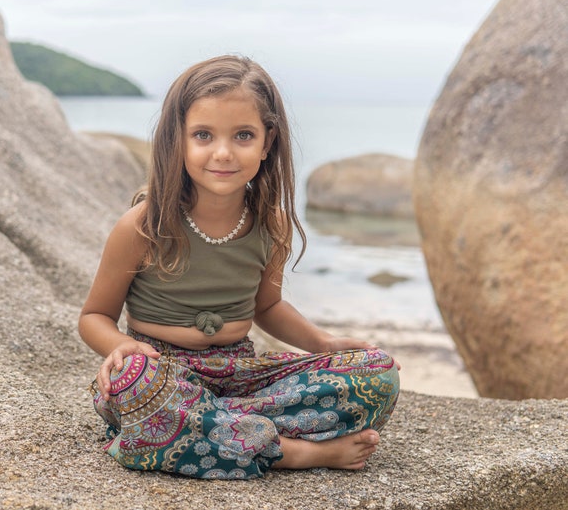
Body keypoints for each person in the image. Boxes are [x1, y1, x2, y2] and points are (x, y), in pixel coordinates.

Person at [78, 55, 400, 479]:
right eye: (204, 135)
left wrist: (322, 343)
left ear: (267, 143)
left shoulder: (272, 224)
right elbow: (94, 317)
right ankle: (292, 451)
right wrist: (119, 346)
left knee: (379, 372)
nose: (224, 152)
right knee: (135, 383)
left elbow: (267, 308)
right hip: (163, 373)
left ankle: (211, 428)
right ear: (178, 140)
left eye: (243, 135)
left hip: (241, 374)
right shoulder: (144, 225)